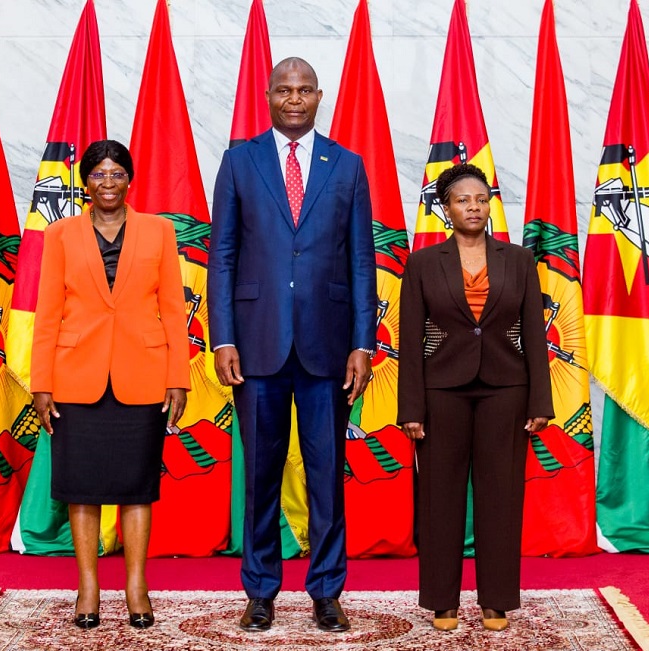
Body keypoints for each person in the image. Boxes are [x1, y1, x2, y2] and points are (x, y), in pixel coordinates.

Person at [208, 57, 377, 633]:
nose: (295, 99)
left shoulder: (347, 166)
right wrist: (223, 337)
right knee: (260, 472)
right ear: (268, 96)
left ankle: (327, 591)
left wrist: (362, 344)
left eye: (305, 90)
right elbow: (222, 256)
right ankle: (260, 591)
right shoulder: (239, 162)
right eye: (285, 90)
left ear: (319, 96)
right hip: (256, 343)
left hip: (328, 345)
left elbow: (361, 261)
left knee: (327, 474)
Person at [31, 139, 190, 630]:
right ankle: (88, 588)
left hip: (142, 376)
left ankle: (137, 587)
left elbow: (172, 309)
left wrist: (178, 378)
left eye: (116, 174)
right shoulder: (60, 235)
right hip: (75, 378)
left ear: (129, 179)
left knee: (136, 488)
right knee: (82, 489)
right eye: (98, 174)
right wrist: (41, 382)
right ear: (85, 182)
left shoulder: (159, 231)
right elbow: (47, 313)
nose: (107, 183)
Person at [397, 163, 553, 632]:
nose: (474, 207)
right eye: (463, 200)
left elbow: (534, 334)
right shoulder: (423, 263)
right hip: (441, 391)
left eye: (482, 200)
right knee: (440, 497)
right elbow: (410, 340)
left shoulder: (519, 260)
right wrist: (411, 408)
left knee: (500, 496)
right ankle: (442, 602)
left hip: (506, 389)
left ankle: (496, 601)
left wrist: (539, 402)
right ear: (446, 209)